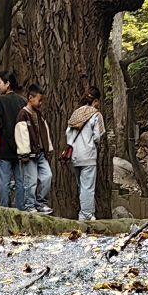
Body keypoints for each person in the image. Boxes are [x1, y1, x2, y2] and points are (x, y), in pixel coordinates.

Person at [65, 92, 103, 222]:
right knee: (88, 186)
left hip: (75, 155)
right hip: (89, 155)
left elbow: (68, 133)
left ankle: (84, 212)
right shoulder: (96, 114)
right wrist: (94, 144)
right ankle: (86, 214)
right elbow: (97, 136)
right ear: (96, 101)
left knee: (81, 185)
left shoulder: (76, 113)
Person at [0, 72, 25, 210]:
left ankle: (4, 211)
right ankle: (21, 210)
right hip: (21, 147)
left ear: (7, 83)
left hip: (4, 148)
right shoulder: (22, 101)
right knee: (20, 182)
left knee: (4, 182)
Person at [20, 85, 54, 214]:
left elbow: (45, 132)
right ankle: (30, 205)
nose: (40, 103)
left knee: (47, 176)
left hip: (40, 153)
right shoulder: (23, 115)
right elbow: (21, 134)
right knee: (31, 181)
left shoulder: (39, 115)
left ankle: (41, 203)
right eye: (39, 100)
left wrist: (48, 148)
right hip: (29, 154)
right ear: (30, 98)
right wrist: (24, 152)